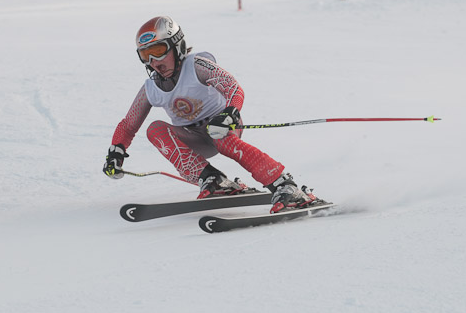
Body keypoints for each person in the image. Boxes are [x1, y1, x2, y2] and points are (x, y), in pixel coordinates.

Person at [103, 16, 313, 213]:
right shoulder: (151, 88)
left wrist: (230, 113)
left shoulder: (196, 65)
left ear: (177, 45)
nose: (153, 61)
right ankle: (212, 179)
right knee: (154, 129)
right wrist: (116, 151)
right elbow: (128, 125)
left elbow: (233, 87)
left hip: (222, 126)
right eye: (145, 55)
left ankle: (284, 184)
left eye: (158, 50)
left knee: (219, 136)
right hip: (193, 136)